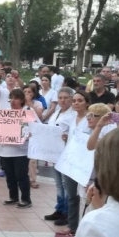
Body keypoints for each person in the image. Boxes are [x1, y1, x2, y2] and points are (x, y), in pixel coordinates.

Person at [59, 93, 95, 236]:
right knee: (71, 195)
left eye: (80, 101)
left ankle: (88, 225)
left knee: (87, 196)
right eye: (73, 101)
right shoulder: (71, 118)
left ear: (87, 103)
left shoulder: (91, 119)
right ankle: (72, 225)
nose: (76, 103)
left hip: (85, 162)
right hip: (70, 161)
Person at [44, 87, 77, 226]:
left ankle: (67, 212)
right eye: (61, 97)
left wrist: (66, 137)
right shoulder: (56, 112)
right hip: (55, 152)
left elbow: (75, 134)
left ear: (71, 99)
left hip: (66, 152)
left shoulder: (73, 115)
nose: (62, 100)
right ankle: (60, 207)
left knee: (65, 184)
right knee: (58, 183)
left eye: (66, 98)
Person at [0, 89, 36, 208]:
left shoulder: (28, 113)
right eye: (11, 98)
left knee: (21, 176)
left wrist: (30, 133)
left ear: (22, 100)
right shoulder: (5, 112)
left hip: (21, 151)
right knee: (10, 175)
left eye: (16, 98)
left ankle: (26, 199)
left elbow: (35, 127)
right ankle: (13, 197)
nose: (13, 101)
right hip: (5, 150)